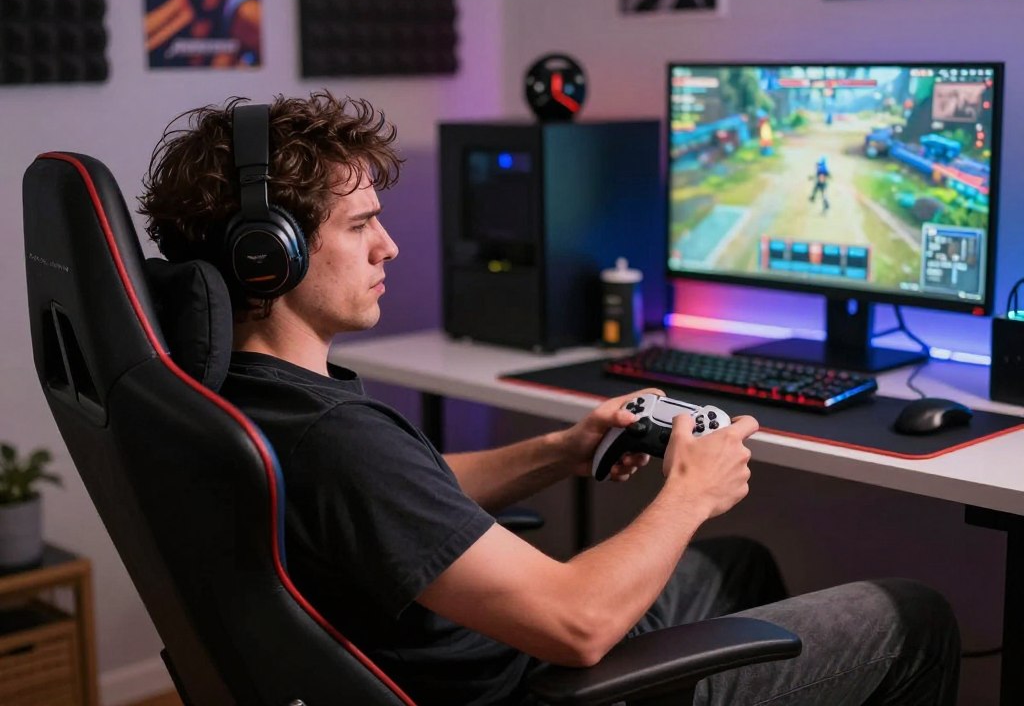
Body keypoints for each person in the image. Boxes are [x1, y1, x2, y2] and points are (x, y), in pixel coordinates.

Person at [139, 91, 961, 706]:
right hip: (541, 684)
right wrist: (691, 491)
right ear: (266, 255)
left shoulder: (233, 399)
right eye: (360, 226)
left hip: (494, 659)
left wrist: (559, 451)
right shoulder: (336, 438)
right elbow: (579, 624)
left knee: (736, 565)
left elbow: (401, 505)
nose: (389, 246)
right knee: (912, 615)